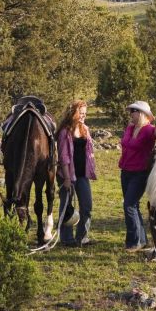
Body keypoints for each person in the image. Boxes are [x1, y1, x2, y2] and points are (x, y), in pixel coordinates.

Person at [57, 100, 96, 247]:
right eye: (81, 113)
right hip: (67, 175)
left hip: (82, 174)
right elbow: (64, 157)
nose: (83, 116)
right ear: (73, 113)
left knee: (87, 205)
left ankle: (82, 237)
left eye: (85, 114)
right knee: (67, 206)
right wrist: (67, 178)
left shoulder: (85, 129)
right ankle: (67, 239)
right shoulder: (64, 132)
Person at [119, 100, 156, 251]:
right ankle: (142, 239)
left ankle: (134, 242)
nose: (130, 114)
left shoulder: (149, 130)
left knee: (129, 205)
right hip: (125, 171)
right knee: (133, 205)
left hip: (140, 173)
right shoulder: (130, 128)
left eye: (133, 111)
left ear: (141, 113)